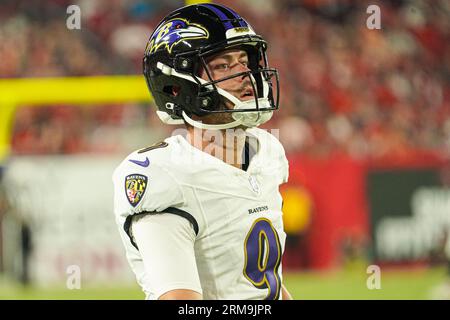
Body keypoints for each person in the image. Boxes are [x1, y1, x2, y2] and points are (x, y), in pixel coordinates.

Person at [113, 3, 292, 300]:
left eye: (245, 62)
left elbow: (264, 286)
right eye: (223, 65)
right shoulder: (166, 176)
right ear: (176, 87)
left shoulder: (266, 152)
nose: (245, 75)